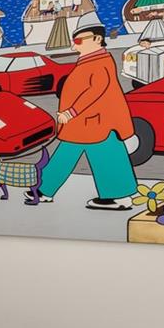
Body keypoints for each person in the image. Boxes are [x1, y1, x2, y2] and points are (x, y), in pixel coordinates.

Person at [28, 13, 137, 210]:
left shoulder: (99, 62)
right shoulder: (90, 60)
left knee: (106, 156)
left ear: (97, 38)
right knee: (67, 155)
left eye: (78, 40)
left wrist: (70, 112)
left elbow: (95, 91)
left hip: (96, 122)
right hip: (84, 123)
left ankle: (118, 196)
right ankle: (44, 190)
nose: (74, 46)